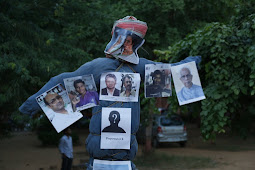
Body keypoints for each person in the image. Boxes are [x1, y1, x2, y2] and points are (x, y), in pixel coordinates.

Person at [19, 16, 201, 170]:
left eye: (131, 41)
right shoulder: (100, 67)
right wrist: (30, 107)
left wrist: (197, 59)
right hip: (102, 154)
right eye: (126, 40)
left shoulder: (139, 67)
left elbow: (173, 71)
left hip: (124, 156)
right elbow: (61, 82)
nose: (127, 44)